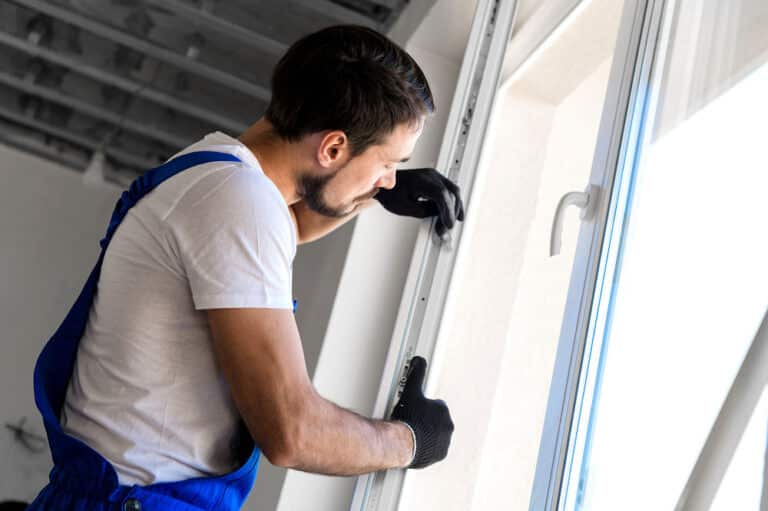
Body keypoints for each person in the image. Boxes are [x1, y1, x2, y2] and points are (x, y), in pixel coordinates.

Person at [28, 25, 460, 510]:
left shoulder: (215, 174)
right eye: (389, 161)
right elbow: (291, 430)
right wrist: (408, 441)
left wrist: (371, 190)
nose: (390, 177)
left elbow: (283, 230)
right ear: (333, 149)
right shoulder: (239, 203)